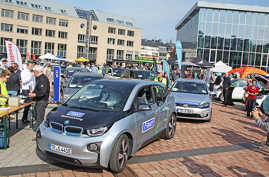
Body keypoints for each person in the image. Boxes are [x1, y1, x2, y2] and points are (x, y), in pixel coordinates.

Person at [29, 65, 50, 131]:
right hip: (39, 100)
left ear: (36, 71)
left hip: (42, 100)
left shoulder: (43, 79)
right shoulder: (38, 78)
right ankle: (38, 131)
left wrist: (34, 94)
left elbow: (43, 91)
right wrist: (33, 92)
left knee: (39, 118)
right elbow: (38, 89)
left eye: (34, 72)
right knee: (37, 116)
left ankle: (40, 133)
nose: (33, 73)